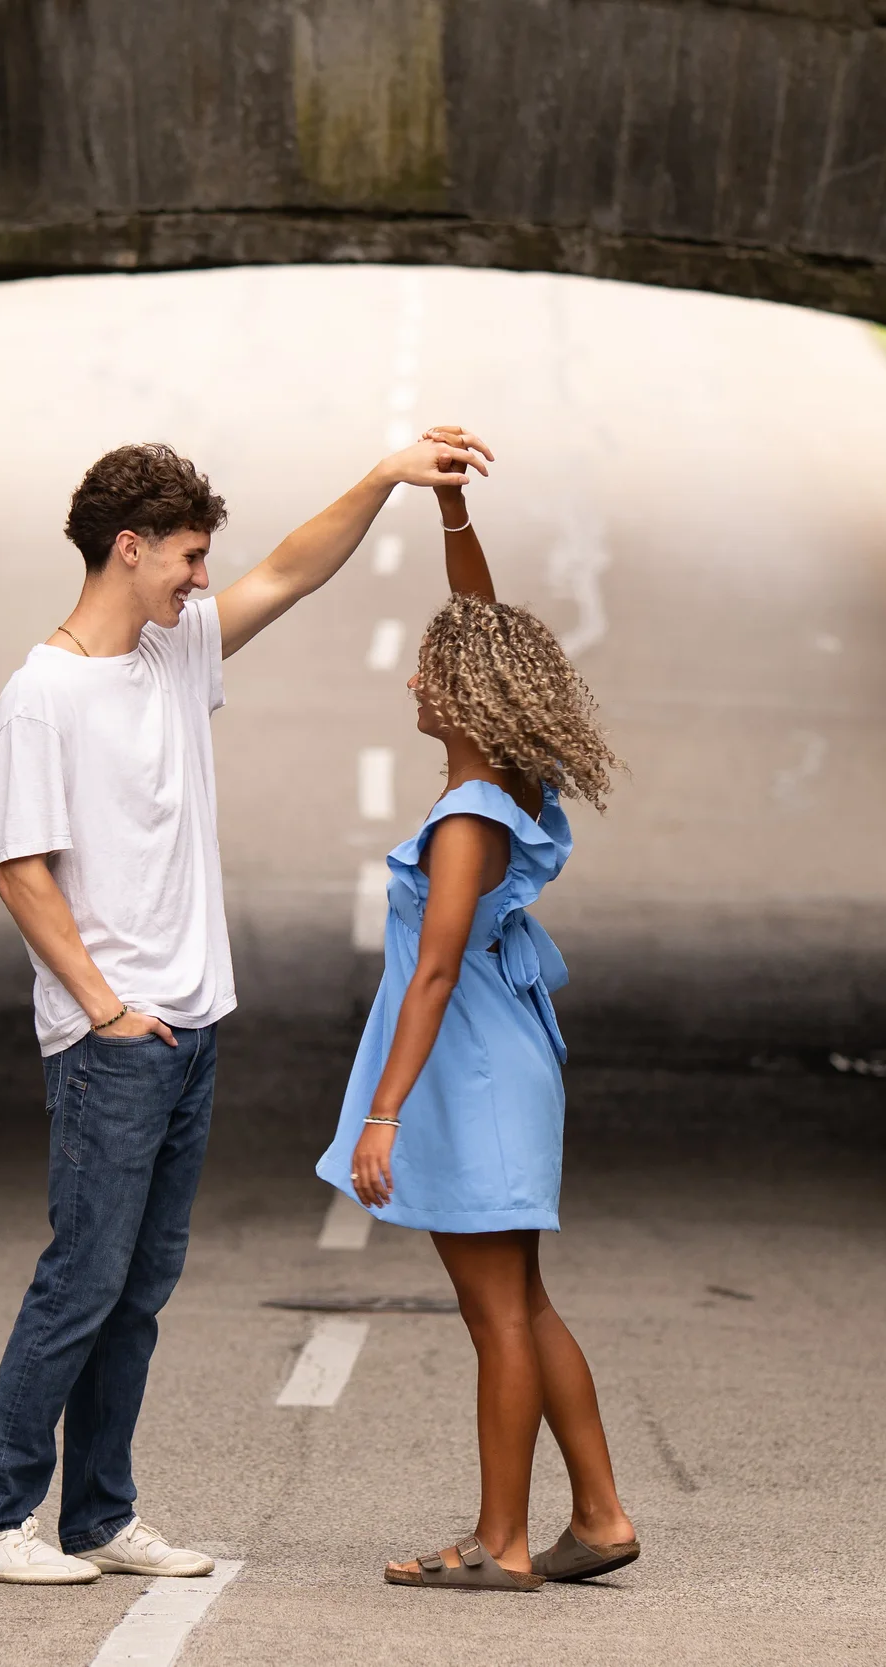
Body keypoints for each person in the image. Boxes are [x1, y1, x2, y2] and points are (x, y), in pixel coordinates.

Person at [0, 433, 492, 1585]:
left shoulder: (173, 650)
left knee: (140, 1290)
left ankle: (100, 1516)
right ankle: (0, 1520)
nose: (204, 580)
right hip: (116, 1039)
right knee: (83, 1278)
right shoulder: (39, 697)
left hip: (188, 1026)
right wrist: (105, 1008)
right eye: (189, 559)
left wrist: (385, 477)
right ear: (128, 547)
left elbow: (293, 571)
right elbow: (22, 872)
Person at [312, 427, 638, 1592]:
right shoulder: (506, 778)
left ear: (461, 694)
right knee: (519, 1298)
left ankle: (502, 1542)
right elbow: (484, 627)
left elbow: (433, 971)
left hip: (468, 1066)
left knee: (496, 1310)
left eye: (422, 666)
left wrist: (384, 1114)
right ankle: (596, 1514)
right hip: (501, 1057)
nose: (409, 675)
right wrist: (448, 516)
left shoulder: (465, 817)